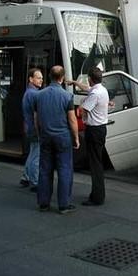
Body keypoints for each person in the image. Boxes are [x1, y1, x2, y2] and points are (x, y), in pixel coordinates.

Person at [35, 66, 79, 214]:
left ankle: (43, 203)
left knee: (45, 169)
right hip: (62, 137)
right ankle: (64, 205)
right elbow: (72, 120)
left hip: (46, 136)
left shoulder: (39, 95)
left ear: (49, 76)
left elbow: (37, 118)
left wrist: (39, 133)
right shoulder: (67, 96)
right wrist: (76, 138)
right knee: (64, 169)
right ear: (62, 78)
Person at [68, 67, 109, 206]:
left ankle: (97, 197)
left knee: (95, 164)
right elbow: (87, 88)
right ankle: (97, 194)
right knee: (97, 161)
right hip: (101, 128)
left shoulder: (95, 94)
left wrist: (81, 104)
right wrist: (75, 83)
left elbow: (81, 111)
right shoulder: (102, 90)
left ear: (91, 79)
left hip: (94, 130)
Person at [20, 68, 43, 192]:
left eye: (41, 78)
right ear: (31, 79)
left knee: (32, 152)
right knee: (36, 156)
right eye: (38, 77)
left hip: (29, 127)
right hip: (35, 129)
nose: (41, 80)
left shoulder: (28, 92)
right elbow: (37, 115)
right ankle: (35, 182)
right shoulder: (35, 94)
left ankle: (26, 177)